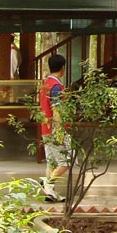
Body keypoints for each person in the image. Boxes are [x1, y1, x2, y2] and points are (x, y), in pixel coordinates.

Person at [39, 54, 70, 203]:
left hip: (45, 128)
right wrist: (60, 132)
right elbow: (57, 111)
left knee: (51, 161)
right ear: (62, 68)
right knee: (66, 161)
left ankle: (50, 193)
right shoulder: (57, 87)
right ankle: (48, 183)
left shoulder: (46, 84)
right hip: (55, 129)